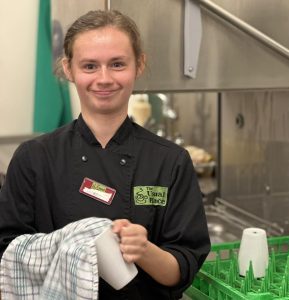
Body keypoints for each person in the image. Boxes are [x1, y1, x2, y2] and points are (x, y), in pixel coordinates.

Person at [0, 9, 210, 299]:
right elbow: (7, 257)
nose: (104, 78)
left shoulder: (170, 161)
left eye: (117, 64)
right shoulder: (34, 158)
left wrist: (144, 250)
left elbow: (183, 268)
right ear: (68, 69)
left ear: (139, 65)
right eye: (89, 66)